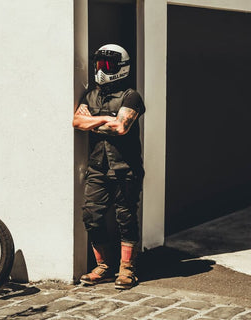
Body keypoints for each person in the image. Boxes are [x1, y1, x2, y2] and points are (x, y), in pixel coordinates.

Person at [73, 44, 145, 290]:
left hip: (126, 168)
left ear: (121, 68)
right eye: (99, 64)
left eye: (108, 66)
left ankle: (127, 270)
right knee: (91, 216)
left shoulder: (131, 96)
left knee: (125, 217)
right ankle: (103, 266)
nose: (102, 70)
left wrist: (92, 123)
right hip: (98, 168)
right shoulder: (91, 95)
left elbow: (122, 127)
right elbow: (76, 121)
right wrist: (105, 118)